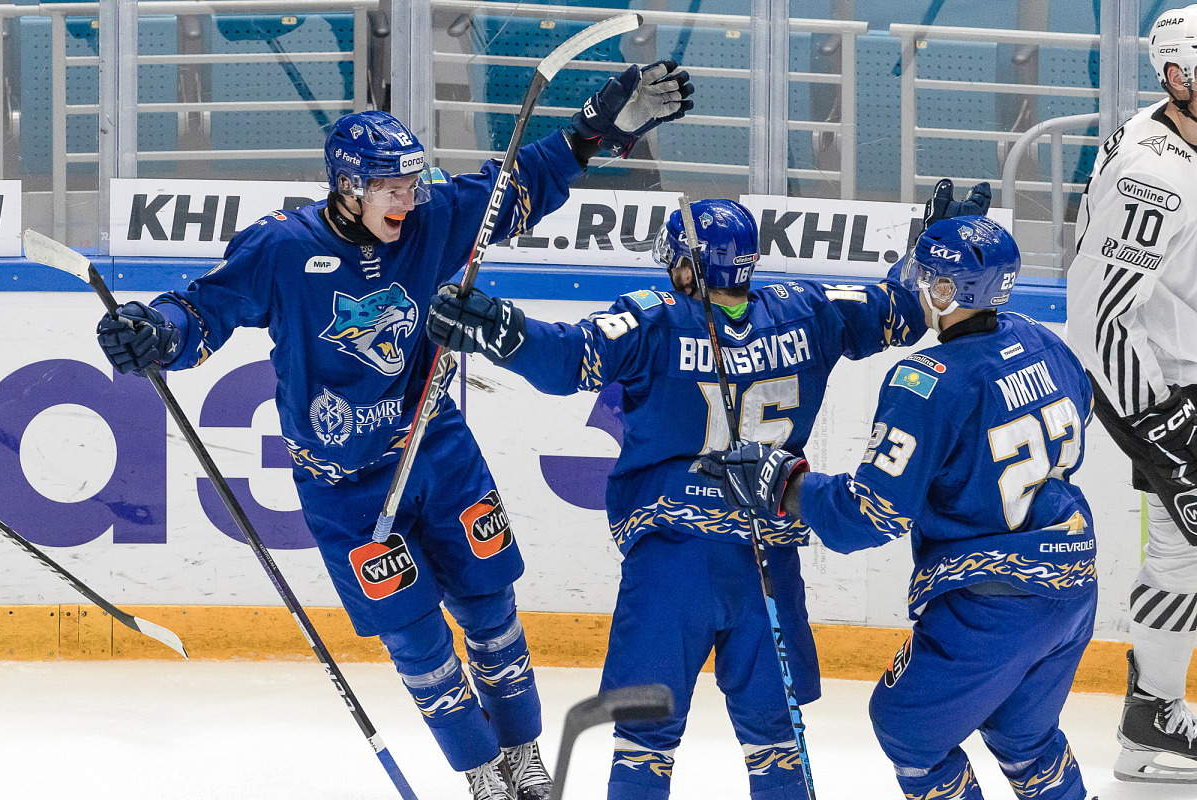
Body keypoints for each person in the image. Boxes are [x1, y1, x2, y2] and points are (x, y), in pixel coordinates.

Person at [92, 60, 693, 800]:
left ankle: (521, 754)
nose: (408, 199)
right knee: (416, 639)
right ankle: (480, 769)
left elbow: (518, 188)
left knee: (491, 609)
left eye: (412, 184)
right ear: (349, 187)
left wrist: (593, 132)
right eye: (391, 188)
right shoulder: (281, 248)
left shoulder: (432, 219)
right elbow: (201, 311)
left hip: (435, 447)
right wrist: (155, 332)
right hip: (344, 486)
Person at [425, 195, 933, 800]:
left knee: (644, 741)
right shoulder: (807, 308)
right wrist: (926, 255)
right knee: (776, 741)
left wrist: (499, 329)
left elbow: (568, 359)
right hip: (767, 563)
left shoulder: (653, 320)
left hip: (671, 564)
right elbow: (901, 309)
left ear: (690, 268)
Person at [703, 216, 1098, 800]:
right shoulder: (1041, 337)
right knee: (1025, 738)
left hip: (993, 603)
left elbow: (868, 515)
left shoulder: (927, 380)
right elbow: (1080, 409)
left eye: (929, 276)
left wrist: (784, 484)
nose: (917, 284)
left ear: (950, 291)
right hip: (1074, 586)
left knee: (906, 728)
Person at [1066, 4, 1197, 783]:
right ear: (1177, 76)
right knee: (1181, 551)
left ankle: (1152, 719)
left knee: (1182, 554)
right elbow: (1098, 317)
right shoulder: (1154, 178)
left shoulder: (1180, 134)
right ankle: (1152, 716)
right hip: (1167, 388)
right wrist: (1164, 425)